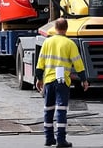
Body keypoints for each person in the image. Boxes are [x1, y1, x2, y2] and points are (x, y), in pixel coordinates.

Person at [35, 18, 89, 148]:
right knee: (61, 110)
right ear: (66, 28)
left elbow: (40, 63)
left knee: (48, 109)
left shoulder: (47, 42)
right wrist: (84, 80)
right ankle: (61, 139)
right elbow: (78, 64)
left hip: (48, 80)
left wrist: (39, 79)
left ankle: (48, 138)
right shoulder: (70, 44)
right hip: (62, 81)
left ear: (55, 28)